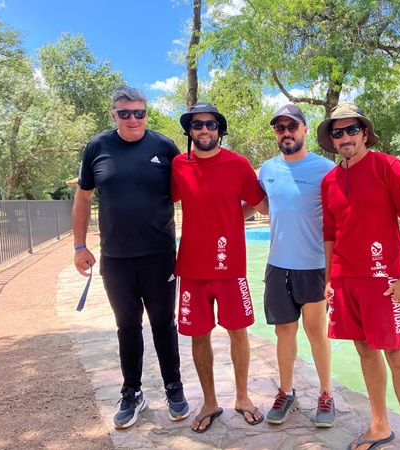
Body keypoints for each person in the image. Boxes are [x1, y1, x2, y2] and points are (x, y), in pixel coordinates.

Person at [72, 85, 189, 429]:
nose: (133, 119)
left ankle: (174, 387)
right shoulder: (97, 147)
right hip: (116, 258)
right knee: (127, 326)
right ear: (114, 115)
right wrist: (79, 246)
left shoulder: (164, 147)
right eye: (125, 113)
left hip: (159, 255)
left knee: (164, 324)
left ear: (146, 114)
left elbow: (189, 191)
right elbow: (82, 198)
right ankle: (132, 392)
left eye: (139, 112)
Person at [317, 103, 400, 450]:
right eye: (338, 132)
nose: (345, 138)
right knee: (365, 351)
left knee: (398, 356)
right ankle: (379, 425)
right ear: (332, 140)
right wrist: (329, 279)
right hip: (345, 280)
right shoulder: (329, 181)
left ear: (365, 133)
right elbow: (330, 232)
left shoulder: (388, 167)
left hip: (384, 280)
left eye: (352, 130)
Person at [172, 102, 269, 433]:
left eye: (211, 125)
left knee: (238, 333)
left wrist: (231, 217)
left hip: (231, 268)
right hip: (192, 269)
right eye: (197, 125)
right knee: (198, 337)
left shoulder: (238, 165)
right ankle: (210, 402)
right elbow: (163, 201)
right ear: (189, 131)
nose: (204, 130)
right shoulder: (179, 165)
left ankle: (242, 397)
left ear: (220, 131)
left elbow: (261, 205)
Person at [257, 104, 336, 427]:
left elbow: (339, 215)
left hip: (313, 266)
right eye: (280, 128)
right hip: (277, 265)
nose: (286, 133)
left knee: (316, 331)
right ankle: (286, 391)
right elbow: (263, 205)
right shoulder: (266, 169)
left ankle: (326, 394)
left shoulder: (326, 169)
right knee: (283, 331)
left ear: (304, 130)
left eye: (292, 126)